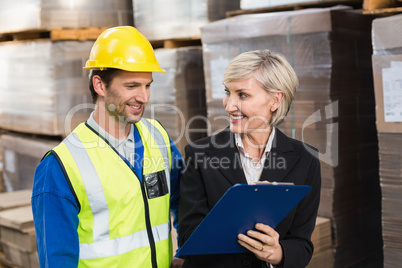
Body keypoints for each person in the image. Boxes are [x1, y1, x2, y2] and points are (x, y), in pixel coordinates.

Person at [32, 26, 184, 268]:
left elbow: (184, 201)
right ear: (100, 85)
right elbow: (57, 259)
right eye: (132, 86)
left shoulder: (157, 137)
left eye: (148, 86)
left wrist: (185, 253)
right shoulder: (60, 166)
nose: (144, 97)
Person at [178, 49, 321, 268]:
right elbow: (189, 239)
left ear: (275, 100)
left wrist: (278, 253)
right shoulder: (199, 154)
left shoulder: (305, 160)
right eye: (228, 92)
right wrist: (241, 209)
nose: (229, 105)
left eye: (242, 95)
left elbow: (302, 244)